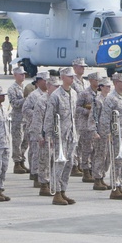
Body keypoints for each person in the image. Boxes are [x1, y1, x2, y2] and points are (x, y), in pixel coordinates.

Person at [44, 67, 79, 205]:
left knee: (69, 163)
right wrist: (49, 136)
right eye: (70, 76)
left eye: (73, 76)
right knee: (59, 163)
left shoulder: (74, 93)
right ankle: (56, 192)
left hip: (71, 134)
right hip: (59, 135)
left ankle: (63, 190)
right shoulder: (56, 95)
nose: (72, 79)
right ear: (63, 77)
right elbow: (49, 117)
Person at [102, 72, 122, 200]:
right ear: (115, 83)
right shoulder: (111, 98)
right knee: (116, 163)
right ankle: (114, 188)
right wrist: (107, 134)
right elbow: (105, 119)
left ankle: (119, 186)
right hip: (116, 136)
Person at [76, 72, 101, 183]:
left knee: (96, 149)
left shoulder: (100, 93)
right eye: (96, 80)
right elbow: (76, 108)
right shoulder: (85, 93)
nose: (98, 82)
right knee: (87, 149)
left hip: (96, 125)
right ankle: (85, 170)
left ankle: (93, 169)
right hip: (85, 124)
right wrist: (88, 112)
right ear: (91, 80)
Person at [89, 77, 112, 191]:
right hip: (100, 132)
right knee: (99, 155)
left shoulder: (109, 99)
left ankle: (102, 176)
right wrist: (94, 131)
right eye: (106, 86)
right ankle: (97, 179)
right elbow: (93, 116)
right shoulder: (97, 100)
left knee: (107, 156)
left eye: (109, 86)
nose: (108, 88)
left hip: (108, 132)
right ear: (101, 87)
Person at [7, 66, 29, 173]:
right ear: (15, 76)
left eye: (24, 74)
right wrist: (26, 100)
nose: (23, 76)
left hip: (26, 118)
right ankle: (16, 163)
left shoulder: (25, 87)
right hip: (17, 118)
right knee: (17, 141)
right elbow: (14, 104)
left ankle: (22, 160)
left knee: (26, 140)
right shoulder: (12, 89)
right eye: (21, 74)